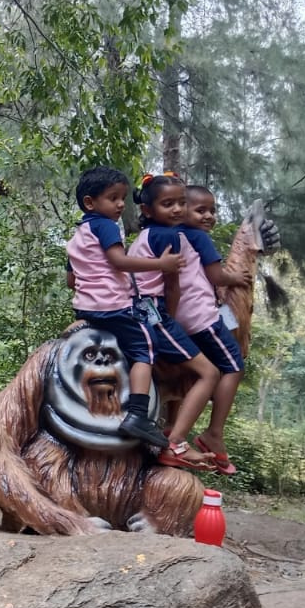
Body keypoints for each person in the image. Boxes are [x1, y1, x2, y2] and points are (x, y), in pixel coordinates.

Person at [66, 166, 190, 453]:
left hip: (86, 309)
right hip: (114, 307)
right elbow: (120, 261)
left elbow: (71, 280)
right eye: (113, 198)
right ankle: (138, 414)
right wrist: (161, 264)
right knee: (145, 347)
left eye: (123, 198)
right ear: (90, 202)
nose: (121, 204)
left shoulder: (78, 235)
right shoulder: (106, 226)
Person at [126, 173, 221, 470]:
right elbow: (172, 288)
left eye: (181, 203)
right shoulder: (168, 237)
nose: (178, 209)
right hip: (151, 311)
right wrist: (172, 321)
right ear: (147, 209)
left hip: (135, 306)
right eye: (168, 204)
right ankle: (177, 443)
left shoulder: (146, 235)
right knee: (210, 372)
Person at [178, 184, 252, 473]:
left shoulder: (175, 236)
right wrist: (236, 278)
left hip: (178, 318)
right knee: (234, 365)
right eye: (201, 210)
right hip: (200, 319)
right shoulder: (199, 237)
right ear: (181, 210)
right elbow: (216, 275)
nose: (209, 216)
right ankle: (214, 432)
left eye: (212, 210)